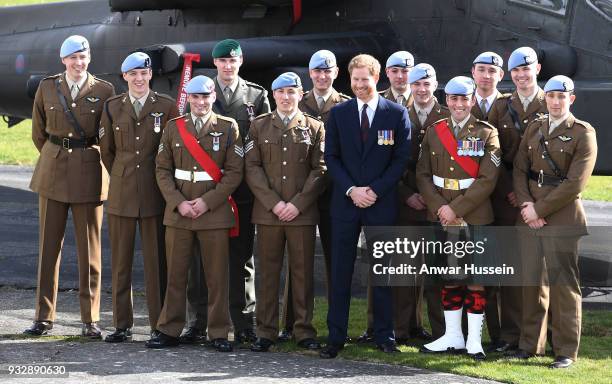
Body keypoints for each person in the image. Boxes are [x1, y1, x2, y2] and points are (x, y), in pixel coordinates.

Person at [320, 54, 411, 359]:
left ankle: (384, 335)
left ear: (377, 78)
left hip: (380, 203)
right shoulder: (339, 113)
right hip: (346, 204)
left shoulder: (396, 114)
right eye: (355, 79)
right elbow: (331, 157)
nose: (360, 85)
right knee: (340, 272)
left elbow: (401, 159)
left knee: (383, 274)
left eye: (365, 79)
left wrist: (374, 190)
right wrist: (351, 189)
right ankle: (336, 337)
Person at [25, 35, 115, 338]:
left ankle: (90, 320)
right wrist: (55, 154)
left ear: (89, 59)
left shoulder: (104, 90)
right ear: (63, 60)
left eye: (83, 57)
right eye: (73, 57)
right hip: (52, 171)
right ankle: (43, 317)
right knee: (48, 249)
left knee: (90, 252)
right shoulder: (48, 87)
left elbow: (107, 138)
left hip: (89, 171)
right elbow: (39, 132)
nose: (79, 63)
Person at [182, 39, 270, 345]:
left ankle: (243, 321)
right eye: (222, 61)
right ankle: (199, 321)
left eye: (233, 61)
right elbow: (187, 138)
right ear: (215, 63)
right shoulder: (200, 91)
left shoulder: (256, 96)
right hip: (205, 191)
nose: (228, 66)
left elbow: (262, 142)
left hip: (241, 192)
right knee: (200, 260)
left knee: (242, 257)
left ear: (241, 61)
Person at [147, 75, 243, 352]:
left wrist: (207, 202)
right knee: (177, 275)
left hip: (213, 212)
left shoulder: (228, 128)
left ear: (214, 98)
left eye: (205, 97)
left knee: (216, 277)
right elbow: (162, 170)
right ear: (188, 98)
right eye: (195, 97)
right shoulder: (174, 127)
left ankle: (218, 333)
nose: (200, 102)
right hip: (180, 213)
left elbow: (235, 171)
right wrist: (178, 202)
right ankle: (169, 330)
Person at [510, 75, 597, 369]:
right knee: (531, 282)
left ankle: (565, 351)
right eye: (551, 96)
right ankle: (529, 345)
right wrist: (526, 205)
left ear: (571, 99)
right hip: (530, 211)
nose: (556, 102)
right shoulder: (535, 127)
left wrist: (540, 210)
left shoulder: (584, 133)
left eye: (562, 97)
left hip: (562, 216)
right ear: (545, 98)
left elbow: (575, 183)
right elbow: (520, 169)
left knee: (563, 285)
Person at [416, 76, 501, 360]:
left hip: (474, 215)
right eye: (453, 99)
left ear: (473, 101)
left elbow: (488, 180)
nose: (459, 104)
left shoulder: (487, 133)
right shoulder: (434, 131)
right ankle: (453, 335)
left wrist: (457, 209)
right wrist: (441, 207)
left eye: (464, 99)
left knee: (475, 279)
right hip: (441, 213)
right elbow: (423, 174)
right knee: (449, 276)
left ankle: (474, 339)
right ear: (447, 101)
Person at [99, 52, 179, 342]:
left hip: (155, 194)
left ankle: (160, 323)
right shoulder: (111, 108)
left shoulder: (166, 106)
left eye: (144, 74)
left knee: (157, 264)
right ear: (124, 77)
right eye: (133, 74)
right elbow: (107, 152)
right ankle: (122, 324)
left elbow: (171, 151)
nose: (139, 79)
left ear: (150, 76)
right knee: (121, 263)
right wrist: (122, 176)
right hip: (121, 193)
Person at [245, 72, 326, 352]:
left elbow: (320, 170)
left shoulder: (315, 128)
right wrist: (274, 203)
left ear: (300, 94)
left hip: (300, 214)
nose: (286, 97)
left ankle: (303, 330)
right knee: (268, 273)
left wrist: (297, 204)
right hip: (269, 213)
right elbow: (252, 168)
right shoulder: (258, 126)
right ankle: (266, 331)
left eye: (291, 92)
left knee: (303, 273)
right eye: (281, 92)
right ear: (273, 95)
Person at [279, 50, 350, 342]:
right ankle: (292, 325)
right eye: (317, 71)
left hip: (335, 193)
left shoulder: (346, 104)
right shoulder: (298, 100)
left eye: (328, 71)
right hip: (302, 194)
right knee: (298, 261)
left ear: (335, 74)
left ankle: (336, 327)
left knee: (337, 262)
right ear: (310, 74)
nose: (322, 76)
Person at [485, 47, 548, 352]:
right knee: (508, 271)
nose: (522, 76)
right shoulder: (501, 106)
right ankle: (509, 336)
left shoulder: (550, 102)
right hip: (505, 196)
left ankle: (535, 338)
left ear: (537, 68)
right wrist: (509, 187)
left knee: (535, 274)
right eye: (516, 71)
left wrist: (524, 193)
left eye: (526, 69)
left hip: (536, 198)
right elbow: (493, 152)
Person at [358, 49, 416, 345]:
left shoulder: (427, 103)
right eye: (395, 70)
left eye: (406, 71)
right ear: (387, 74)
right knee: (380, 263)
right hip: (384, 195)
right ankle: (375, 326)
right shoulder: (374, 101)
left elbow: (407, 158)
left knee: (409, 266)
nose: (401, 76)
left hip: (418, 197)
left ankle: (409, 326)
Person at [395, 63, 449, 343]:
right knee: (405, 272)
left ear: (435, 85)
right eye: (416, 84)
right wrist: (405, 194)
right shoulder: (398, 114)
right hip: (406, 203)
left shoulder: (449, 115)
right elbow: (391, 162)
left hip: (437, 207)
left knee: (437, 274)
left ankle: (442, 333)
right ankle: (402, 331)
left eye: (426, 84)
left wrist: (429, 199)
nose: (421, 89)